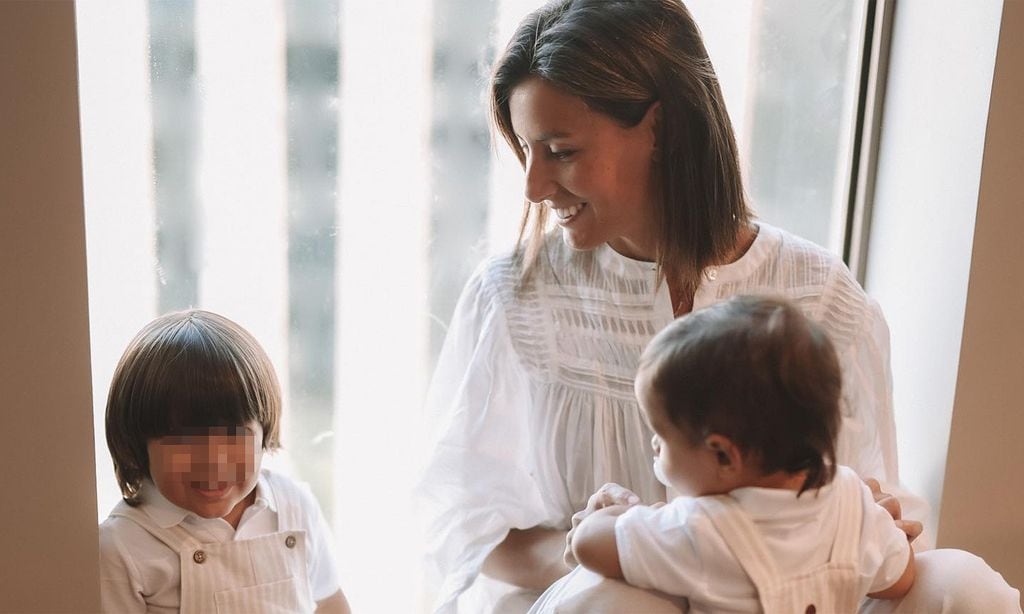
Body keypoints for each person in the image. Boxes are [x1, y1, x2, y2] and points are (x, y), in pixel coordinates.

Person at [417, 0, 1022, 612]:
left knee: (964, 586)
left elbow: (881, 530)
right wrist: (623, 550)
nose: (533, 186)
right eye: (527, 149)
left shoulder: (818, 295)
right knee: (605, 601)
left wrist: (866, 521)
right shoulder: (516, 296)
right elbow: (476, 530)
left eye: (561, 151)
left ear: (659, 127)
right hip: (605, 595)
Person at [562, 295, 915, 612]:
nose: (654, 445)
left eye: (662, 435)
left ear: (724, 456)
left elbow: (589, 546)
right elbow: (900, 580)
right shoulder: (853, 501)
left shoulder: (699, 530)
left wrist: (620, 513)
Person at [98, 310, 351, 613]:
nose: (214, 462)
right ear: (138, 444)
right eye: (185, 440)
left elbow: (330, 603)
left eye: (234, 436)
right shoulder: (121, 546)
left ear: (263, 430)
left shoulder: (293, 505)